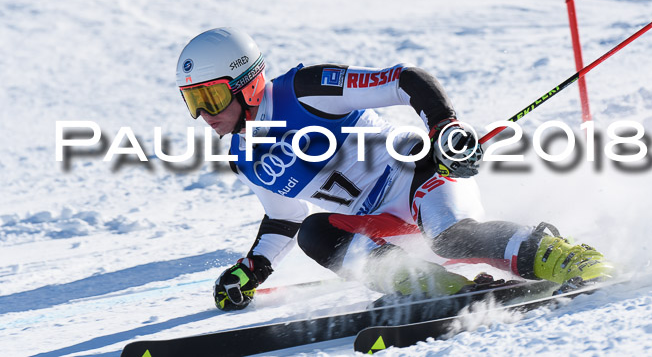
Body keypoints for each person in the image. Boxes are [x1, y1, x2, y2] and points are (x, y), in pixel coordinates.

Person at [175, 27, 614, 311]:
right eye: (193, 102)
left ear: (247, 84)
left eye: (210, 98)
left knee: (450, 235)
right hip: (378, 222)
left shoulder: (306, 90)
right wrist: (252, 270)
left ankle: (568, 257)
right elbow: (284, 217)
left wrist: (445, 128)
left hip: (419, 175)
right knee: (316, 233)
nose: (205, 115)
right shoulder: (244, 156)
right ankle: (438, 290)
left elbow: (406, 80)